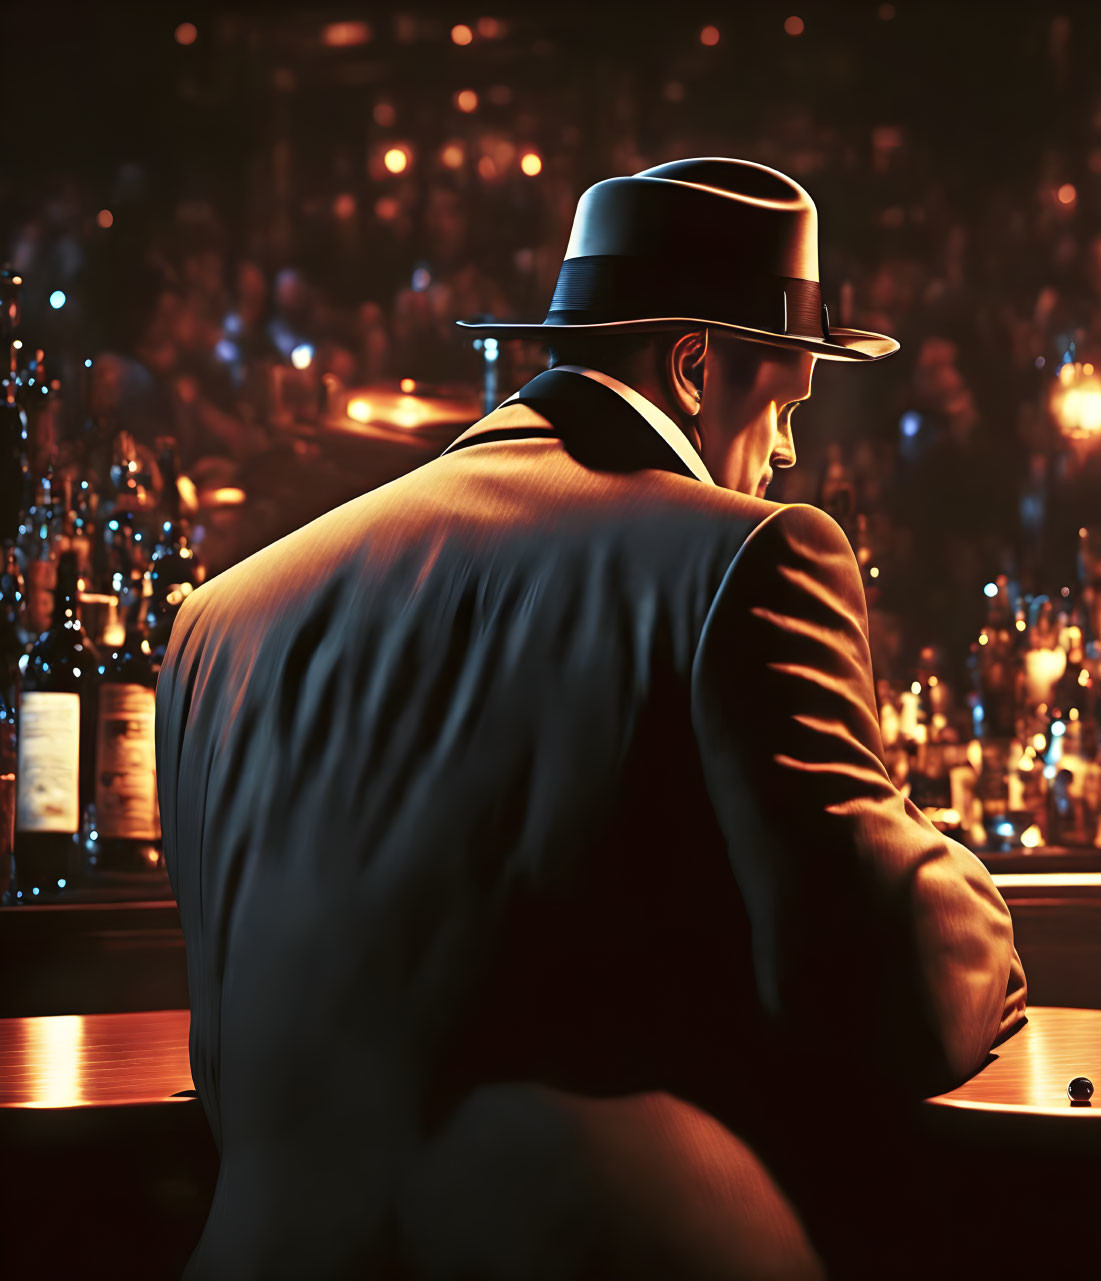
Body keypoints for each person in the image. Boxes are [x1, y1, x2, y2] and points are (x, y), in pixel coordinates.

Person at [156, 157, 1026, 1280]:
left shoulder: (223, 620)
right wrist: (971, 897)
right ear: (696, 365)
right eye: (786, 401)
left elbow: (229, 1065)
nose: (793, 454)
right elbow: (884, 993)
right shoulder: (748, 558)